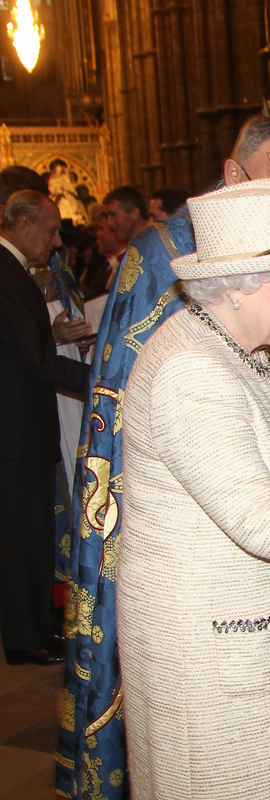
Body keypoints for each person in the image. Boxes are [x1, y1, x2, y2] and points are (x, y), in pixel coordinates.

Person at [56, 115, 270, 800]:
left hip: (246, 635)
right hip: (212, 661)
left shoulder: (229, 345)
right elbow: (257, 519)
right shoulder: (191, 367)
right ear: (236, 282)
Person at [0, 191, 89, 665]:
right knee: (24, 540)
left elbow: (20, 346)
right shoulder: (11, 276)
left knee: (25, 536)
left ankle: (29, 630)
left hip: (16, 428)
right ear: (25, 222)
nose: (56, 242)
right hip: (17, 431)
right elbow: (37, 363)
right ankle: (23, 639)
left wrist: (50, 337)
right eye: (52, 229)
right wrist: (101, 380)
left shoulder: (10, 273)